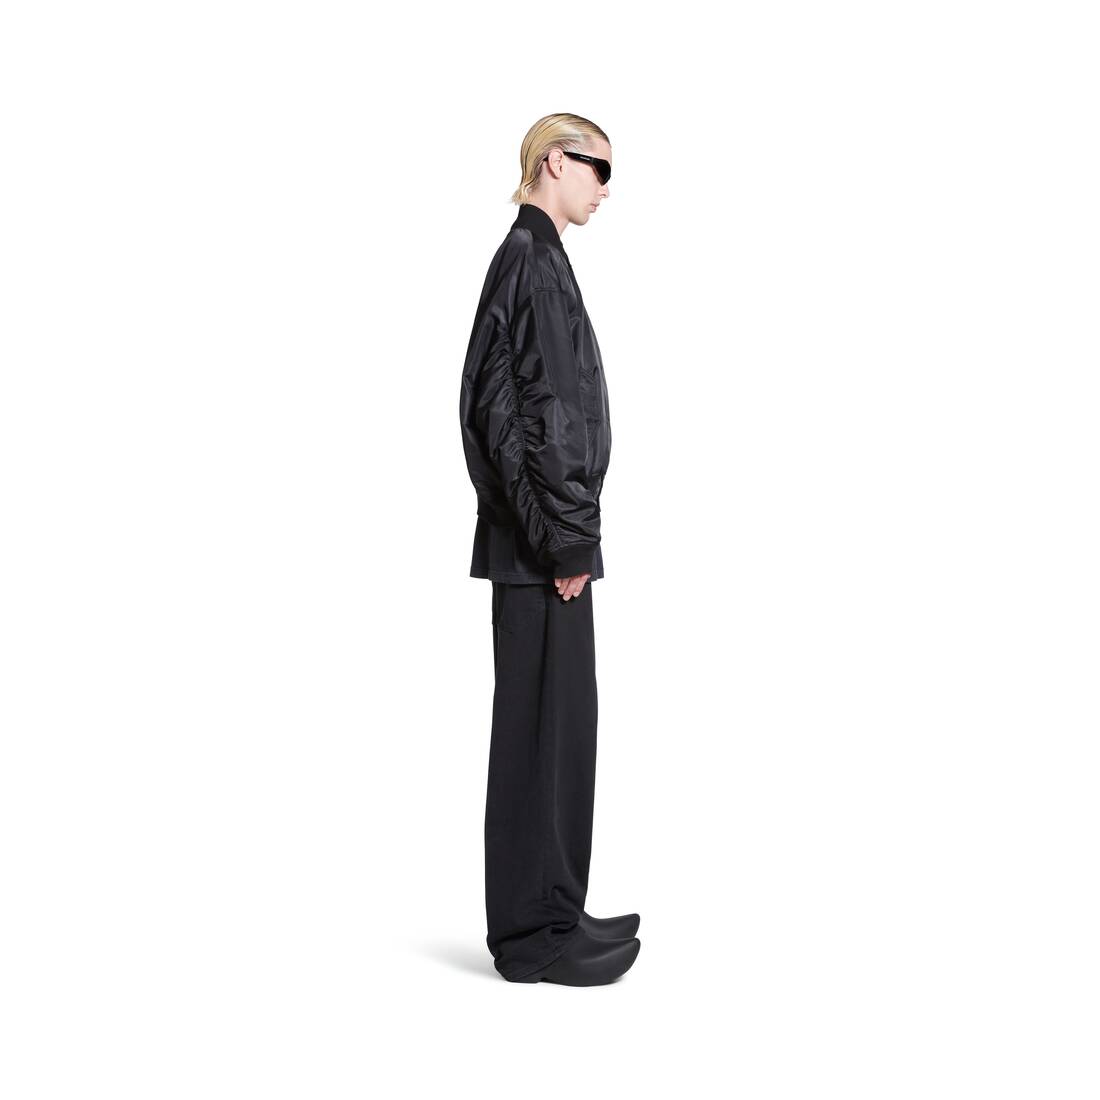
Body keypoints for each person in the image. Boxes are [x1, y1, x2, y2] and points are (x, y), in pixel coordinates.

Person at [458, 113, 641, 986]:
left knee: (562, 732)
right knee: (541, 737)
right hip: (542, 549)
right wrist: (565, 541)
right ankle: (534, 937)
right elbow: (532, 418)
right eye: (600, 168)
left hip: (541, 540)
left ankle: (558, 907)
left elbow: (531, 409)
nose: (607, 188)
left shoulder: (539, 257)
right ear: (556, 161)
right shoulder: (530, 260)